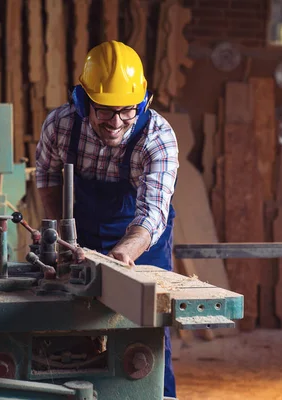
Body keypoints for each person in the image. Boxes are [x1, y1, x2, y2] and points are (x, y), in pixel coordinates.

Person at [35, 40, 179, 398]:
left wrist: (124, 254)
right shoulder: (61, 125)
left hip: (139, 243)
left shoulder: (157, 139)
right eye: (103, 111)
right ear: (83, 101)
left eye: (126, 111)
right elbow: (48, 179)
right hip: (78, 234)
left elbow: (151, 214)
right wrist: (58, 238)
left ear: (143, 103)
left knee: (147, 338)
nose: (115, 123)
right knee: (68, 331)